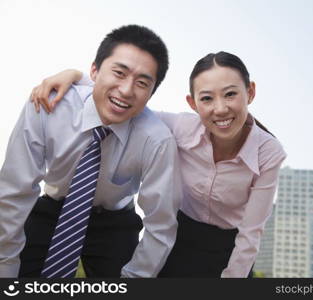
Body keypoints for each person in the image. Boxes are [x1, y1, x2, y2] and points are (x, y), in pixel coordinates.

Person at [31, 51, 287, 278]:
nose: (220, 109)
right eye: (207, 98)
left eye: (230, 94)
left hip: (232, 249)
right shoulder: (180, 127)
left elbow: (251, 233)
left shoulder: (268, 152)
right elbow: (128, 102)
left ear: (250, 92)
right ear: (193, 103)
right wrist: (76, 76)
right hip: (179, 240)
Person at [0, 24, 182, 278]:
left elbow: (161, 224)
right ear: (94, 70)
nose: (127, 90)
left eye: (142, 83)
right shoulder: (48, 104)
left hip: (115, 222)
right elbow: (14, 192)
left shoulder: (157, 140)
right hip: (52, 209)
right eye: (119, 73)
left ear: (151, 94)